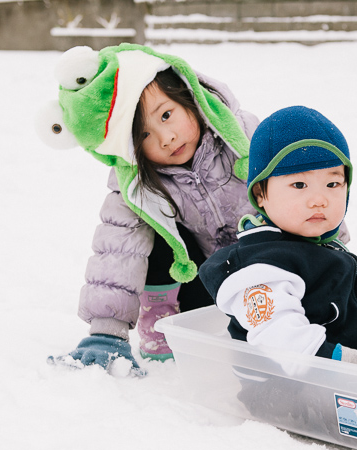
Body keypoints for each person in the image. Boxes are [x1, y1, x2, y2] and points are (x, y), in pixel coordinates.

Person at [38, 43, 261, 374]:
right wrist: (106, 333)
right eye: (144, 135)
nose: (167, 138)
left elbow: (303, 188)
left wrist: (333, 255)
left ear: (188, 96)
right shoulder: (136, 183)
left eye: (167, 115)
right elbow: (117, 251)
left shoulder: (241, 135)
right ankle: (161, 318)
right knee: (146, 224)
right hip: (203, 292)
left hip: (272, 272)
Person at [198, 105, 357, 371]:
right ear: (261, 194)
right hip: (287, 386)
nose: (319, 199)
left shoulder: (310, 241)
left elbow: (315, 283)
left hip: (338, 352)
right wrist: (348, 365)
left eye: (332, 184)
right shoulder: (260, 270)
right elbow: (279, 338)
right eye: (299, 185)